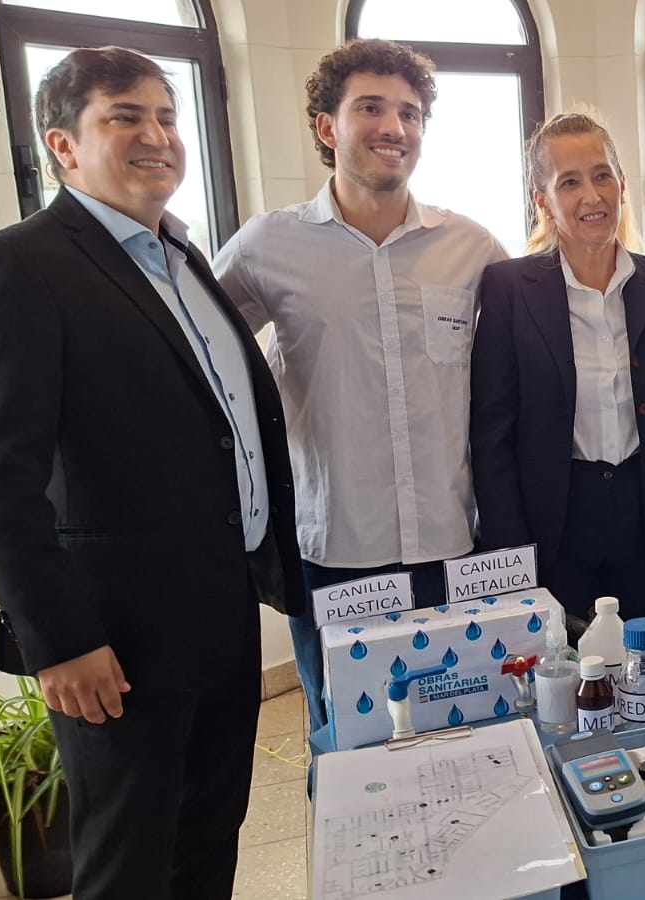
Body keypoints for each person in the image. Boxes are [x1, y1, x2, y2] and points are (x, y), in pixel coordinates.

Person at [0, 47, 303, 899]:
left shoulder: (181, 260)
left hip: (218, 610)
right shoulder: (18, 266)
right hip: (117, 644)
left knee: (210, 834)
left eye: (166, 117)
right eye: (125, 117)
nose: (157, 137)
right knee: (128, 861)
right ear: (62, 146)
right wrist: (61, 640)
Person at [213, 39, 506, 741]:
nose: (393, 128)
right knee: (349, 741)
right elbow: (197, 356)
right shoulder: (265, 248)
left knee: (465, 728)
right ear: (326, 126)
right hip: (336, 552)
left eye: (409, 113)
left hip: (452, 543)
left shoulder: (471, 248)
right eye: (370, 107)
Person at [471, 112, 645, 625]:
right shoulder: (509, 289)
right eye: (569, 182)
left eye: (602, 176)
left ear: (622, 185)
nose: (592, 196)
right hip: (555, 521)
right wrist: (511, 557)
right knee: (565, 677)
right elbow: (492, 434)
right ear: (543, 201)